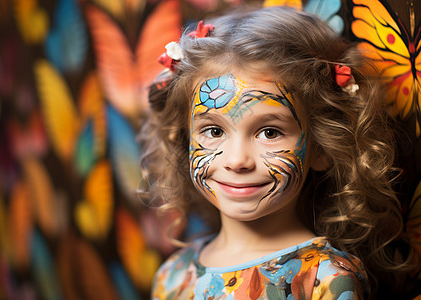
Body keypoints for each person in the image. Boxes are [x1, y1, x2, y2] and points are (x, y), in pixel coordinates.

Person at [140, 6, 417, 299]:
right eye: (214, 132)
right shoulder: (173, 275)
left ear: (323, 147)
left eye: (270, 132)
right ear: (186, 138)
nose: (236, 161)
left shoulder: (324, 281)